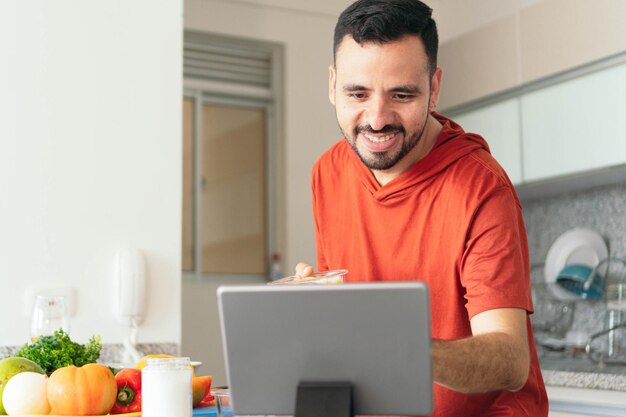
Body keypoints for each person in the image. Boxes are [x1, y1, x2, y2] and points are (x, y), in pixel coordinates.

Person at [294, 0, 549, 416]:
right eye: (357, 93)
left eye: (402, 94)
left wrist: (403, 346)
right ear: (332, 85)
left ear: (434, 88)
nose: (376, 119)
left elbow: (510, 360)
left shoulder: (481, 187)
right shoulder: (328, 172)